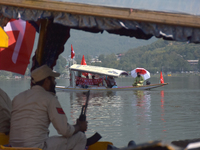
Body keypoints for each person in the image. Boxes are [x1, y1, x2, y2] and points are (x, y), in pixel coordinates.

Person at [9, 65, 88, 150]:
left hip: (13, 147)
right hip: (37, 147)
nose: (55, 83)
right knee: (80, 137)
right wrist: (79, 126)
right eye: (53, 80)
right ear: (47, 81)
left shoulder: (17, 97)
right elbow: (65, 130)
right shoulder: (49, 98)